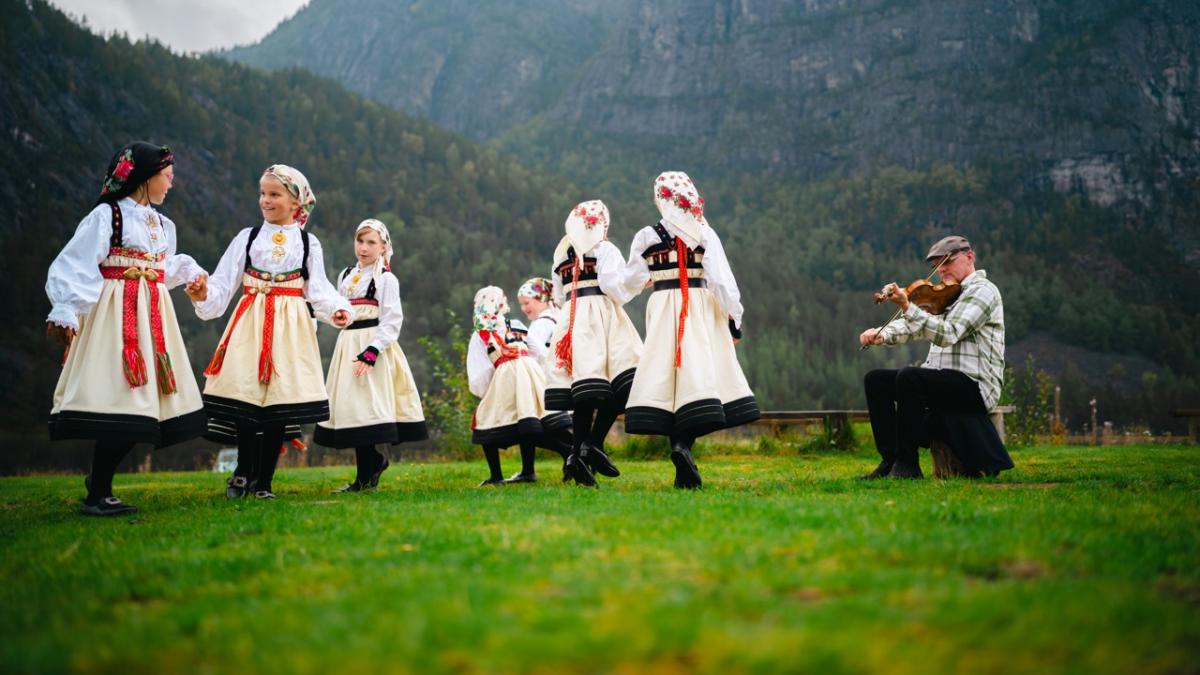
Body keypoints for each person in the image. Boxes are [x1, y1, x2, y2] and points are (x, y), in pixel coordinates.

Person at [46, 142, 208, 515]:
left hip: (151, 316)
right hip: (116, 317)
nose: (171, 183)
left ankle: (98, 486)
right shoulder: (108, 216)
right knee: (122, 400)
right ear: (146, 177)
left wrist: (192, 275)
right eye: (167, 176)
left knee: (144, 407)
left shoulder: (162, 224)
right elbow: (76, 261)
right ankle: (98, 491)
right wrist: (66, 309)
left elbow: (162, 268)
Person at [192, 164, 352, 499]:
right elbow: (224, 281)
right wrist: (204, 293)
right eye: (263, 193)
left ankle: (264, 481)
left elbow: (317, 288)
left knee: (278, 405)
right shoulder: (247, 238)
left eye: (274, 194)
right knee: (247, 402)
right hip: (250, 323)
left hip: (289, 329)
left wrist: (337, 309)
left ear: (296, 202)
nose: (265, 200)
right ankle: (242, 472)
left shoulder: (308, 243)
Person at [619, 171, 760, 489]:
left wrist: (638, 282)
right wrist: (734, 318)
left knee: (671, 383)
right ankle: (683, 448)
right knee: (699, 381)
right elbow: (721, 281)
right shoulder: (704, 233)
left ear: (659, 199)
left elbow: (629, 281)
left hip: (662, 308)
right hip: (699, 308)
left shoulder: (646, 236)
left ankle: (681, 458)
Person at [858, 235, 1013, 479]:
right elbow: (916, 325)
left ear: (970, 257)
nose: (941, 270)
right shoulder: (946, 295)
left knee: (911, 377)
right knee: (876, 380)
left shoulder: (983, 292)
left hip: (975, 386)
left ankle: (908, 466)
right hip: (942, 381)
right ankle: (890, 461)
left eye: (947, 262)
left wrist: (908, 307)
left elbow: (949, 333)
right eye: (937, 266)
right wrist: (882, 334)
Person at [316, 219, 428, 492]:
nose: (364, 248)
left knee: (368, 408)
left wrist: (372, 351)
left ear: (383, 247)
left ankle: (368, 471)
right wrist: (334, 316)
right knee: (354, 409)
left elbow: (392, 321)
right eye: (360, 241)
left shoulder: (386, 279)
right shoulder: (345, 276)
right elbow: (334, 311)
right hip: (348, 344)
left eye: (371, 243)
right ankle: (368, 471)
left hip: (373, 346)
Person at [544, 200, 643, 486]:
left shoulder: (561, 252)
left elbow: (560, 296)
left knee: (584, 393)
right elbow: (615, 287)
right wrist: (636, 284)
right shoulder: (605, 249)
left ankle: (578, 455)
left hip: (570, 320)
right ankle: (591, 444)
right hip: (600, 317)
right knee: (626, 382)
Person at [468, 286, 572, 486]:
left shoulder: (480, 335)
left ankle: (496, 476)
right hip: (530, 375)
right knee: (529, 422)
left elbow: (480, 371)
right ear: (502, 305)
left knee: (485, 421)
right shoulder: (515, 324)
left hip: (504, 379)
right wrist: (534, 374)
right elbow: (540, 352)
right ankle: (534, 468)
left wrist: (489, 393)